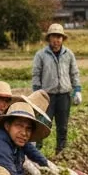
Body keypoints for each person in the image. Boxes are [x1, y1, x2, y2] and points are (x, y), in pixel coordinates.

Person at [31, 23, 81, 155]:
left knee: (62, 126)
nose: (56, 40)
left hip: (64, 96)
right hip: (46, 96)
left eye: (59, 37)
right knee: (43, 124)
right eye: (54, 36)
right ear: (49, 38)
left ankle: (60, 152)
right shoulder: (41, 55)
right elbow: (36, 74)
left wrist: (77, 90)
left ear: (62, 39)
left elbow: (74, 73)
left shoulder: (68, 54)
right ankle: (36, 152)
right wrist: (36, 93)